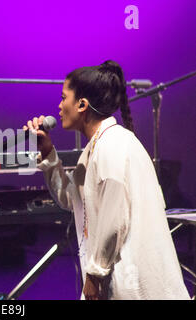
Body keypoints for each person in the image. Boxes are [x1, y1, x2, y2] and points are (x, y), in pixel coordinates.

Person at [24, 60, 190, 300]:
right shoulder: (96, 148)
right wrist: (48, 153)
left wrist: (94, 274)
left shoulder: (112, 145)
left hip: (137, 286)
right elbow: (70, 198)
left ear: (82, 104)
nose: (59, 106)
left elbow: (114, 221)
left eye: (63, 98)